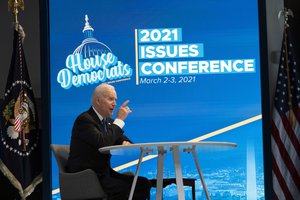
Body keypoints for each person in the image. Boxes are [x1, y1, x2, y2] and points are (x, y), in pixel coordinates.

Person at [66, 83, 151, 200]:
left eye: (115, 99)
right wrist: (120, 120)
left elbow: (121, 139)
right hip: (87, 177)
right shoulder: (85, 120)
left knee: (143, 183)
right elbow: (104, 142)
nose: (115, 103)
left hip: (104, 174)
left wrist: (126, 143)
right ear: (98, 100)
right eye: (111, 99)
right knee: (128, 187)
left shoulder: (108, 122)